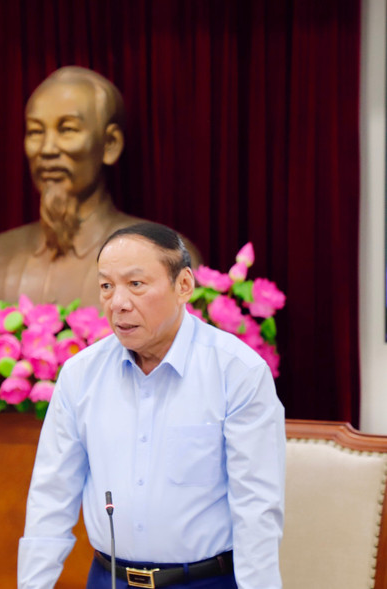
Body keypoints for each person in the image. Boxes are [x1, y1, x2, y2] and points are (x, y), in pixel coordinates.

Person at [18, 222, 285, 589]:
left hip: (205, 581)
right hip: (109, 579)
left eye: (136, 284)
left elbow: (257, 510)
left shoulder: (236, 372)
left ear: (184, 285)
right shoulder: (81, 374)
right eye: (106, 286)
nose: (118, 302)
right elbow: (51, 496)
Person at [0, 67, 199, 308]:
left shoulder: (166, 258)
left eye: (67, 130)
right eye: (35, 131)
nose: (47, 149)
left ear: (110, 144)